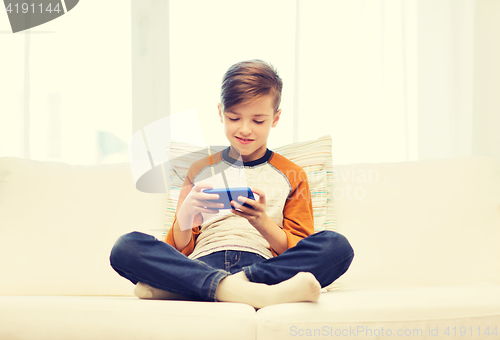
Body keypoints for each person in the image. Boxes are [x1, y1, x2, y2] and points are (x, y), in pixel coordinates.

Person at [109, 60, 354, 309]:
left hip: (262, 269)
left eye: (258, 120)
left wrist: (262, 222)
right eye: (234, 117)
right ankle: (250, 293)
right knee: (126, 247)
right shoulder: (199, 169)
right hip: (201, 262)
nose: (245, 129)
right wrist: (185, 214)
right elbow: (179, 251)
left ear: (275, 118)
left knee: (337, 247)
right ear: (220, 113)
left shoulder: (293, 174)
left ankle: (205, 288)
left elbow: (296, 248)